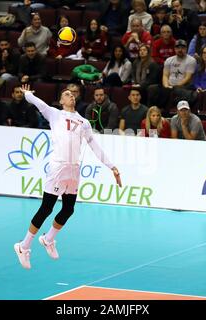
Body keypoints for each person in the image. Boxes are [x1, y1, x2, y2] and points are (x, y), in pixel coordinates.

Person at [14, 84, 122, 270]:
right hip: (58, 168)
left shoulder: (84, 122)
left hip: (74, 170)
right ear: (61, 100)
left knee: (68, 209)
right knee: (46, 208)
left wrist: (112, 166)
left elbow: (95, 146)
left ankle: (48, 239)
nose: (70, 96)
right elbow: (38, 103)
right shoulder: (55, 114)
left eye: (72, 95)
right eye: (66, 94)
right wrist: (27, 94)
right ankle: (23, 246)